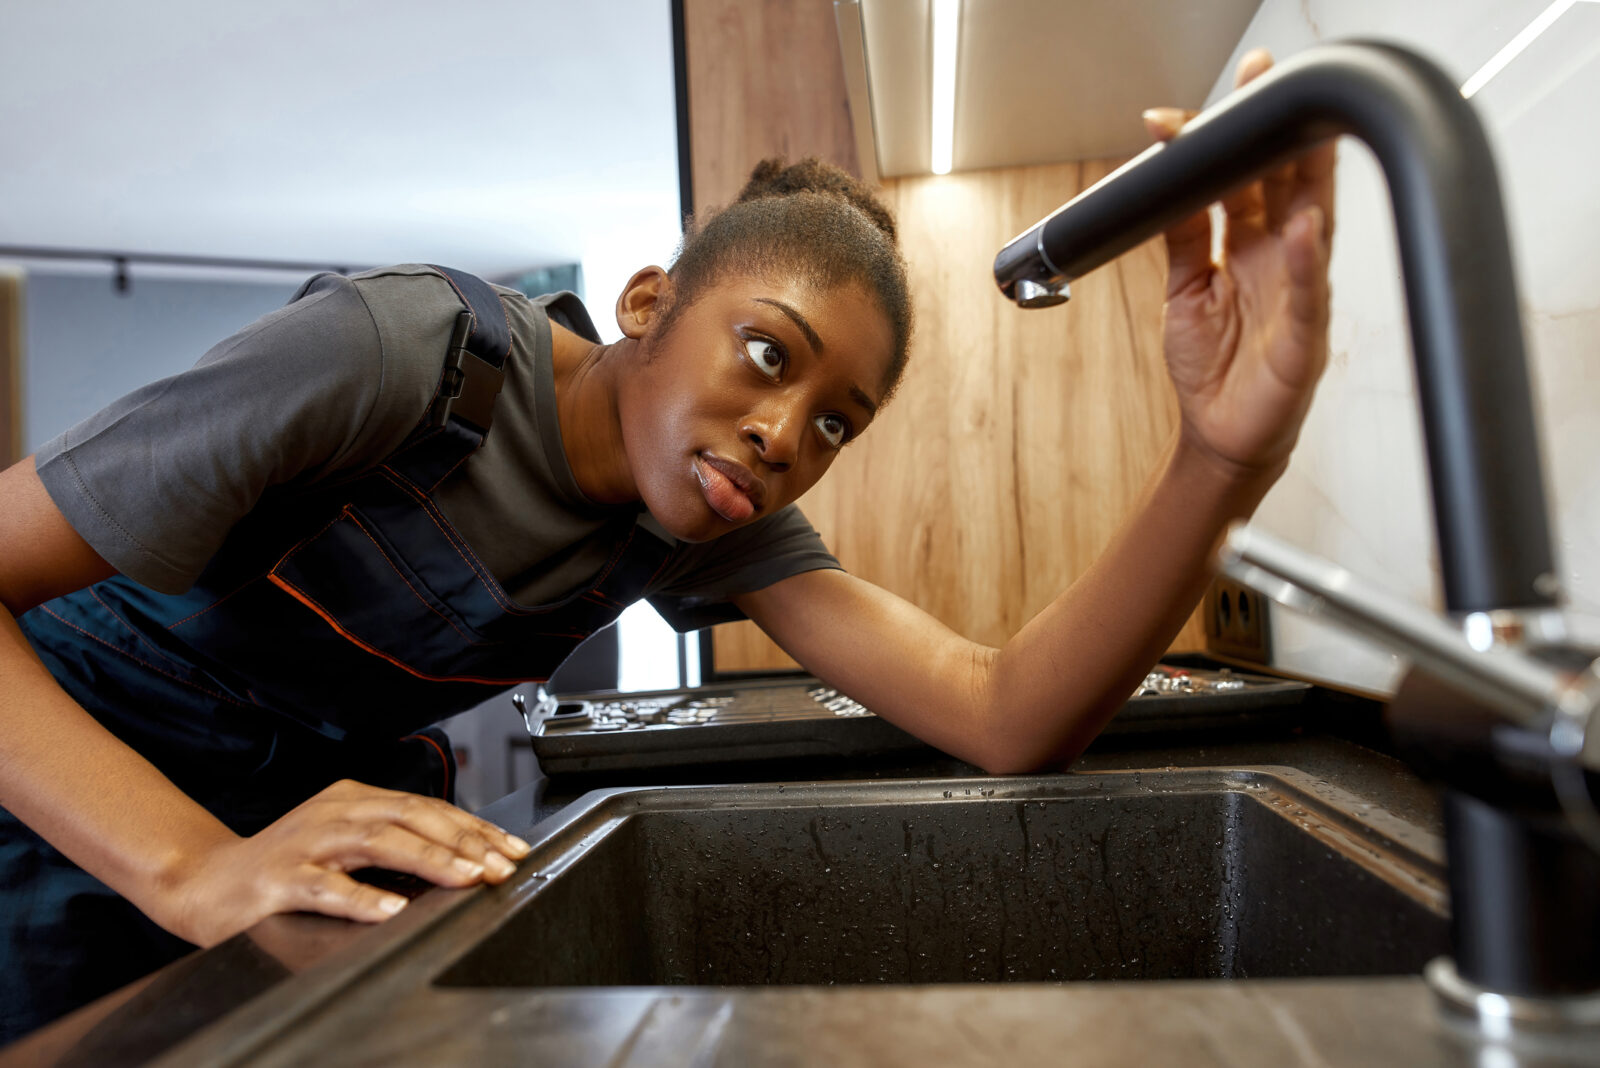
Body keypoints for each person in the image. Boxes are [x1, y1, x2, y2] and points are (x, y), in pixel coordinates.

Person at [0, 51, 1333, 1038]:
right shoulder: (393, 355)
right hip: (63, 788)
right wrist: (186, 866)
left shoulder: (698, 524)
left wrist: (1225, 455)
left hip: (292, 829)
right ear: (650, 300)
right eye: (768, 355)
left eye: (834, 425)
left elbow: (1002, 715)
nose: (782, 435)